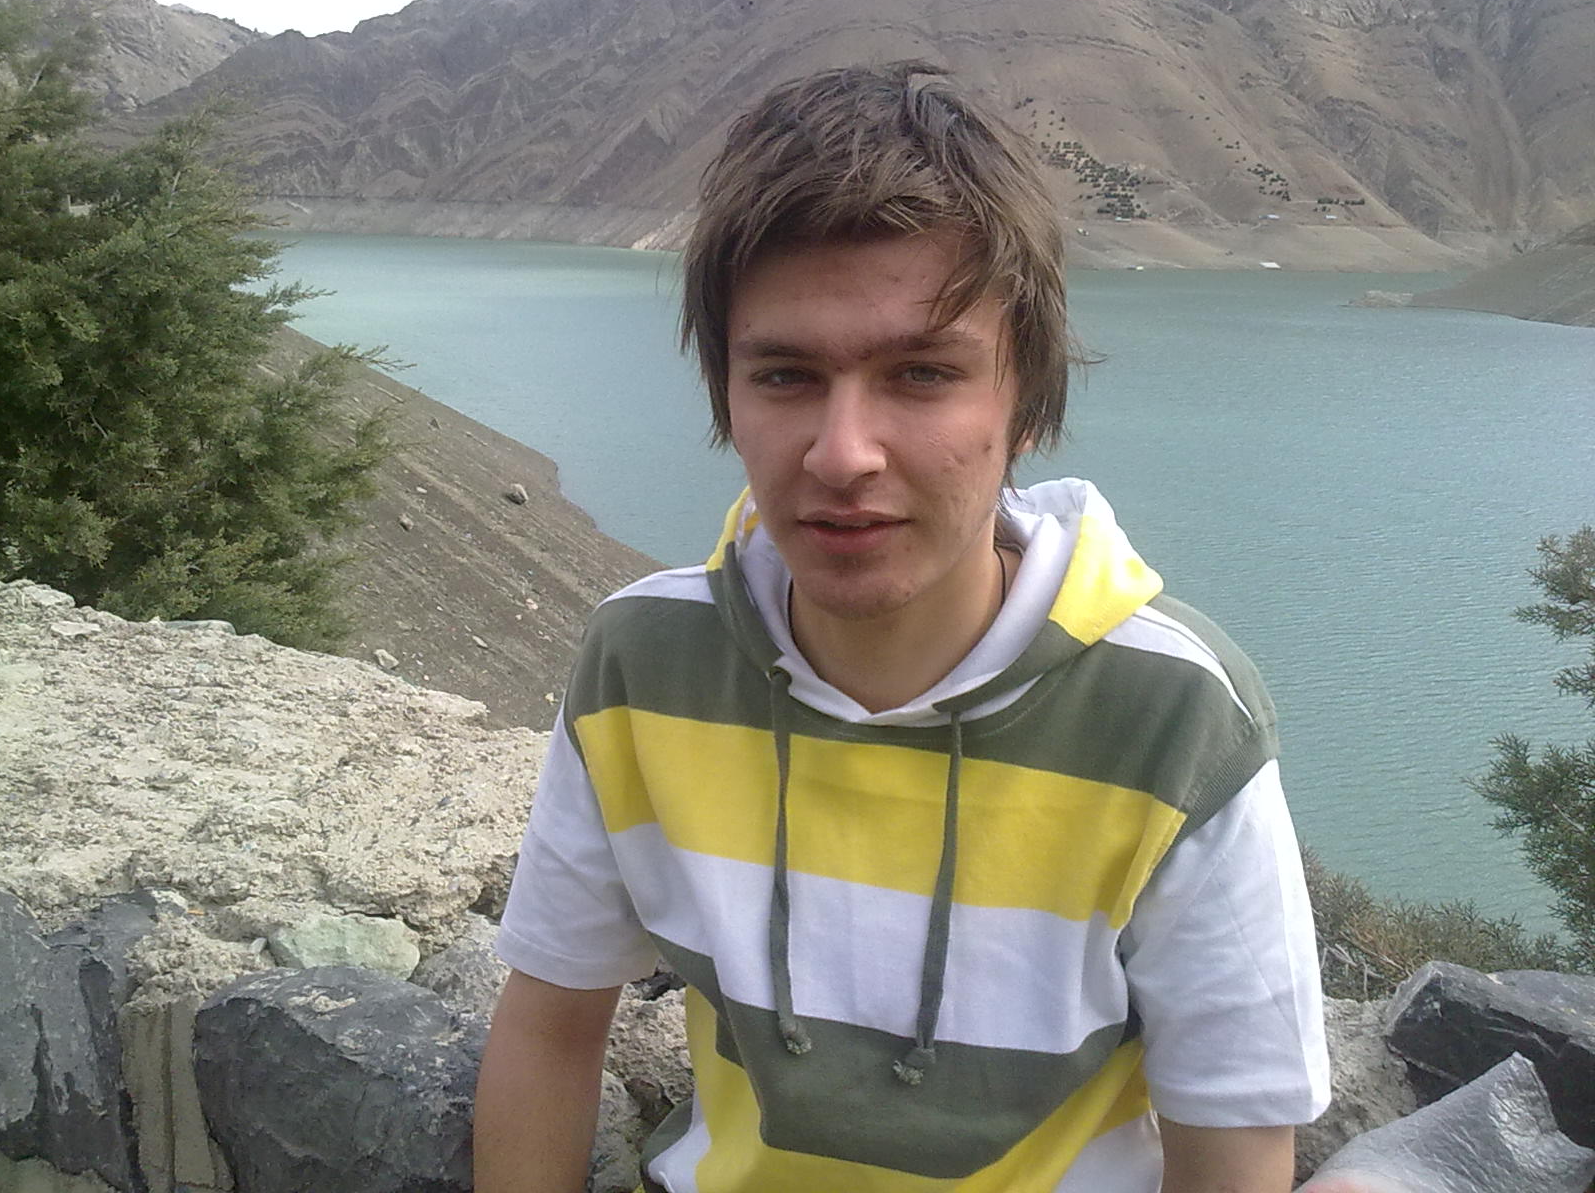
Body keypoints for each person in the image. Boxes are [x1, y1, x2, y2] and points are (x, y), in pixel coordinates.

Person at [474, 61, 1329, 1193]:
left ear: (1026, 403)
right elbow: (546, 1027)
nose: (842, 455)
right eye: (786, 376)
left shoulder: (1172, 715)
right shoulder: (643, 661)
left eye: (922, 374)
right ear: (726, 392)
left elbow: (1233, 1148)